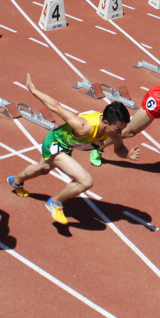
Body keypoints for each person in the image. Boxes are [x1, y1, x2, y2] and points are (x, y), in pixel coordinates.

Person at [8, 76, 140, 225]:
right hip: (55, 143)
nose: (120, 133)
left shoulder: (113, 130)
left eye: (122, 129)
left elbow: (120, 149)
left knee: (43, 169)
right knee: (85, 181)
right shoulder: (83, 127)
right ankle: (55, 202)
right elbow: (56, 107)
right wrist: (33, 90)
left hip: (67, 146)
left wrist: (127, 155)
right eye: (118, 129)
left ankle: (16, 181)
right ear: (105, 122)